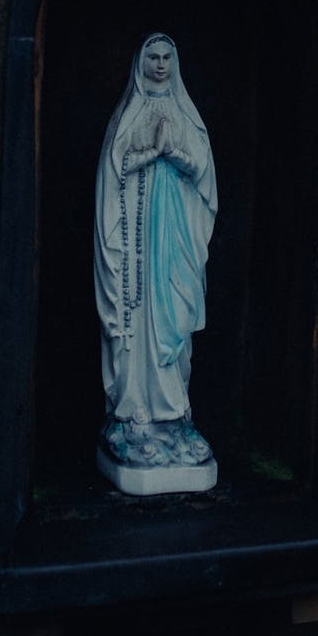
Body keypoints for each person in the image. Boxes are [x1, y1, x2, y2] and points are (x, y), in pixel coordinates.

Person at [94, 33, 218, 491]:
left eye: (167, 57)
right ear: (140, 62)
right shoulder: (127, 116)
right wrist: (150, 153)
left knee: (175, 325)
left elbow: (203, 176)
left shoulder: (187, 117)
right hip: (136, 252)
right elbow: (114, 172)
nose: (161, 64)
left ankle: (175, 416)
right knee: (137, 328)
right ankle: (134, 415)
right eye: (153, 57)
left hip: (175, 244)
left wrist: (174, 155)